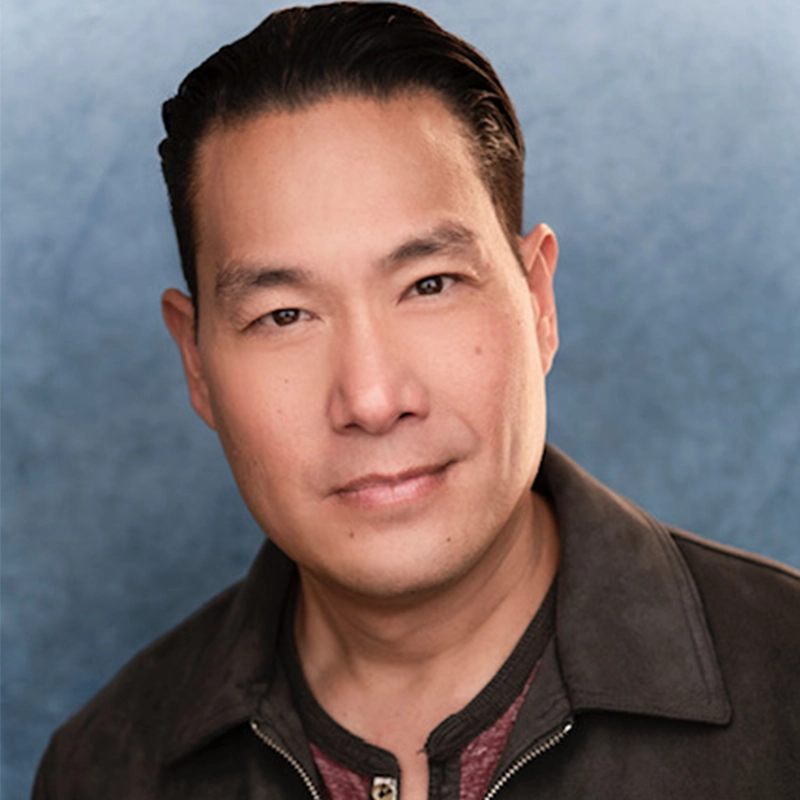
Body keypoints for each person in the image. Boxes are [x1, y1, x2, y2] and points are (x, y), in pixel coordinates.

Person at [33, 3, 799, 798]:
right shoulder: (105, 771)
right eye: (284, 315)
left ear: (538, 302)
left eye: (430, 284)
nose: (371, 399)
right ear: (196, 363)